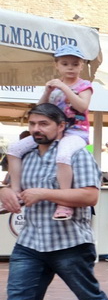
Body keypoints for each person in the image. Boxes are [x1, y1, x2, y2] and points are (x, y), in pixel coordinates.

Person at [0, 103, 108, 300]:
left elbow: (91, 197)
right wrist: (6, 191)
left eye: (43, 124)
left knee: (90, 298)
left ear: (60, 126)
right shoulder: (25, 155)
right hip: (30, 243)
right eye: (32, 124)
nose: (36, 130)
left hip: (70, 243)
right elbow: (11, 187)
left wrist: (44, 193)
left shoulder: (76, 154)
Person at [3, 44, 95, 222]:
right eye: (65, 63)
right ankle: (16, 191)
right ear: (57, 65)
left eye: (75, 64)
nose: (70, 67)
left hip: (76, 132)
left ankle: (64, 201)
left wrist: (63, 87)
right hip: (53, 131)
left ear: (82, 66)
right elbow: (40, 109)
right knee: (14, 149)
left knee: (63, 155)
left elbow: (82, 106)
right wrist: (47, 91)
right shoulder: (54, 87)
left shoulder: (85, 85)